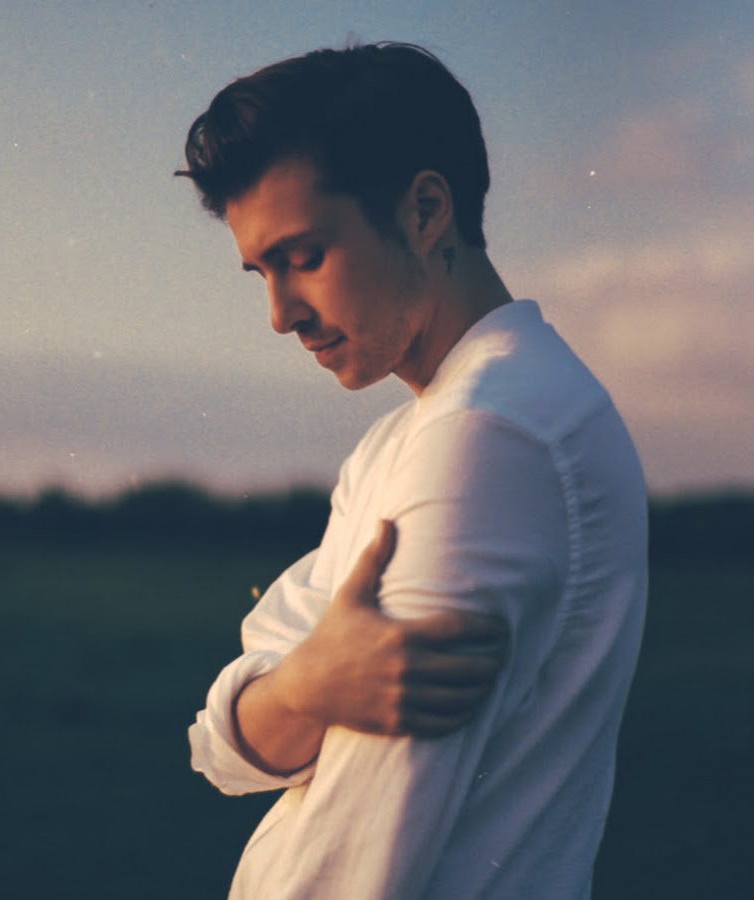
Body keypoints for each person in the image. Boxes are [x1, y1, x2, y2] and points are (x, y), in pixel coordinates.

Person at [178, 42, 647, 899]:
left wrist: (296, 694)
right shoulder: (404, 440)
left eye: (305, 256)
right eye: (260, 271)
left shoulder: (487, 435)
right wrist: (307, 686)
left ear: (427, 210)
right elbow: (220, 745)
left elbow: (358, 846)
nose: (279, 315)